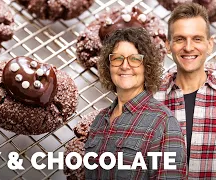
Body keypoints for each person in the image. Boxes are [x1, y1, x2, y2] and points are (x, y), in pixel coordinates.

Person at [84, 27, 186, 179]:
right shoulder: (100, 120)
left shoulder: (163, 123)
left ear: (147, 66)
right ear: (108, 65)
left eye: (135, 59)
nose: (125, 66)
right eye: (117, 58)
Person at [154, 2, 215, 178]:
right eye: (180, 39)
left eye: (197, 39)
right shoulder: (150, 99)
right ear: (167, 45)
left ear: (210, 44)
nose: (188, 47)